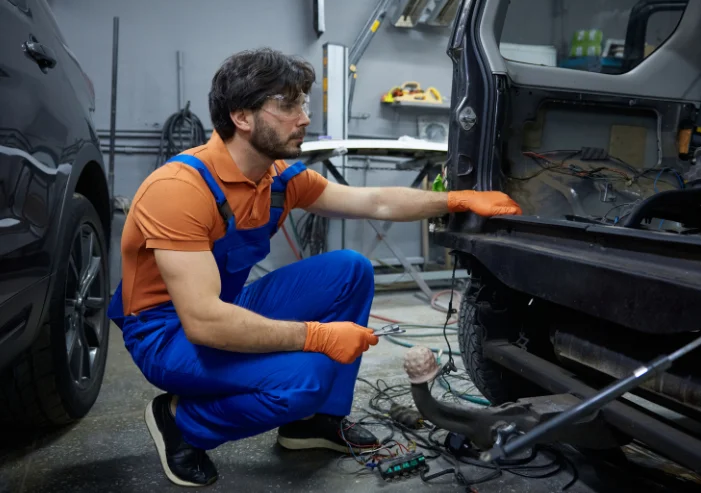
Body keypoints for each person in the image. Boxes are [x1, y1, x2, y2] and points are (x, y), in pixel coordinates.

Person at [108, 47, 522, 487]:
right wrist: (318, 336)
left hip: (225, 304)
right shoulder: (180, 189)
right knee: (303, 379)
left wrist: (456, 200)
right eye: (288, 105)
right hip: (167, 332)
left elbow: (374, 200)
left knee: (350, 268)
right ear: (242, 117)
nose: (304, 117)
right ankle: (182, 422)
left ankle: (313, 423)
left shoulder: (277, 180)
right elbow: (205, 323)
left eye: (303, 103)